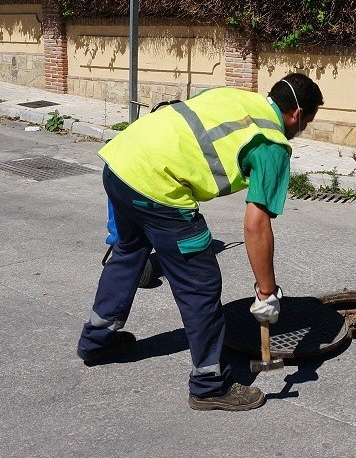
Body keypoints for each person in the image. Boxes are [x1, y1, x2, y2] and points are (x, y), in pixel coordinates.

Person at [76, 73, 324, 411]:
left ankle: (96, 341)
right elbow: (256, 226)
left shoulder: (236, 96)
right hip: (157, 187)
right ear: (296, 114)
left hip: (121, 162)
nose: (302, 129)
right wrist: (267, 292)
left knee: (129, 253)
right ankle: (209, 384)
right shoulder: (271, 144)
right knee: (200, 283)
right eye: (307, 122)